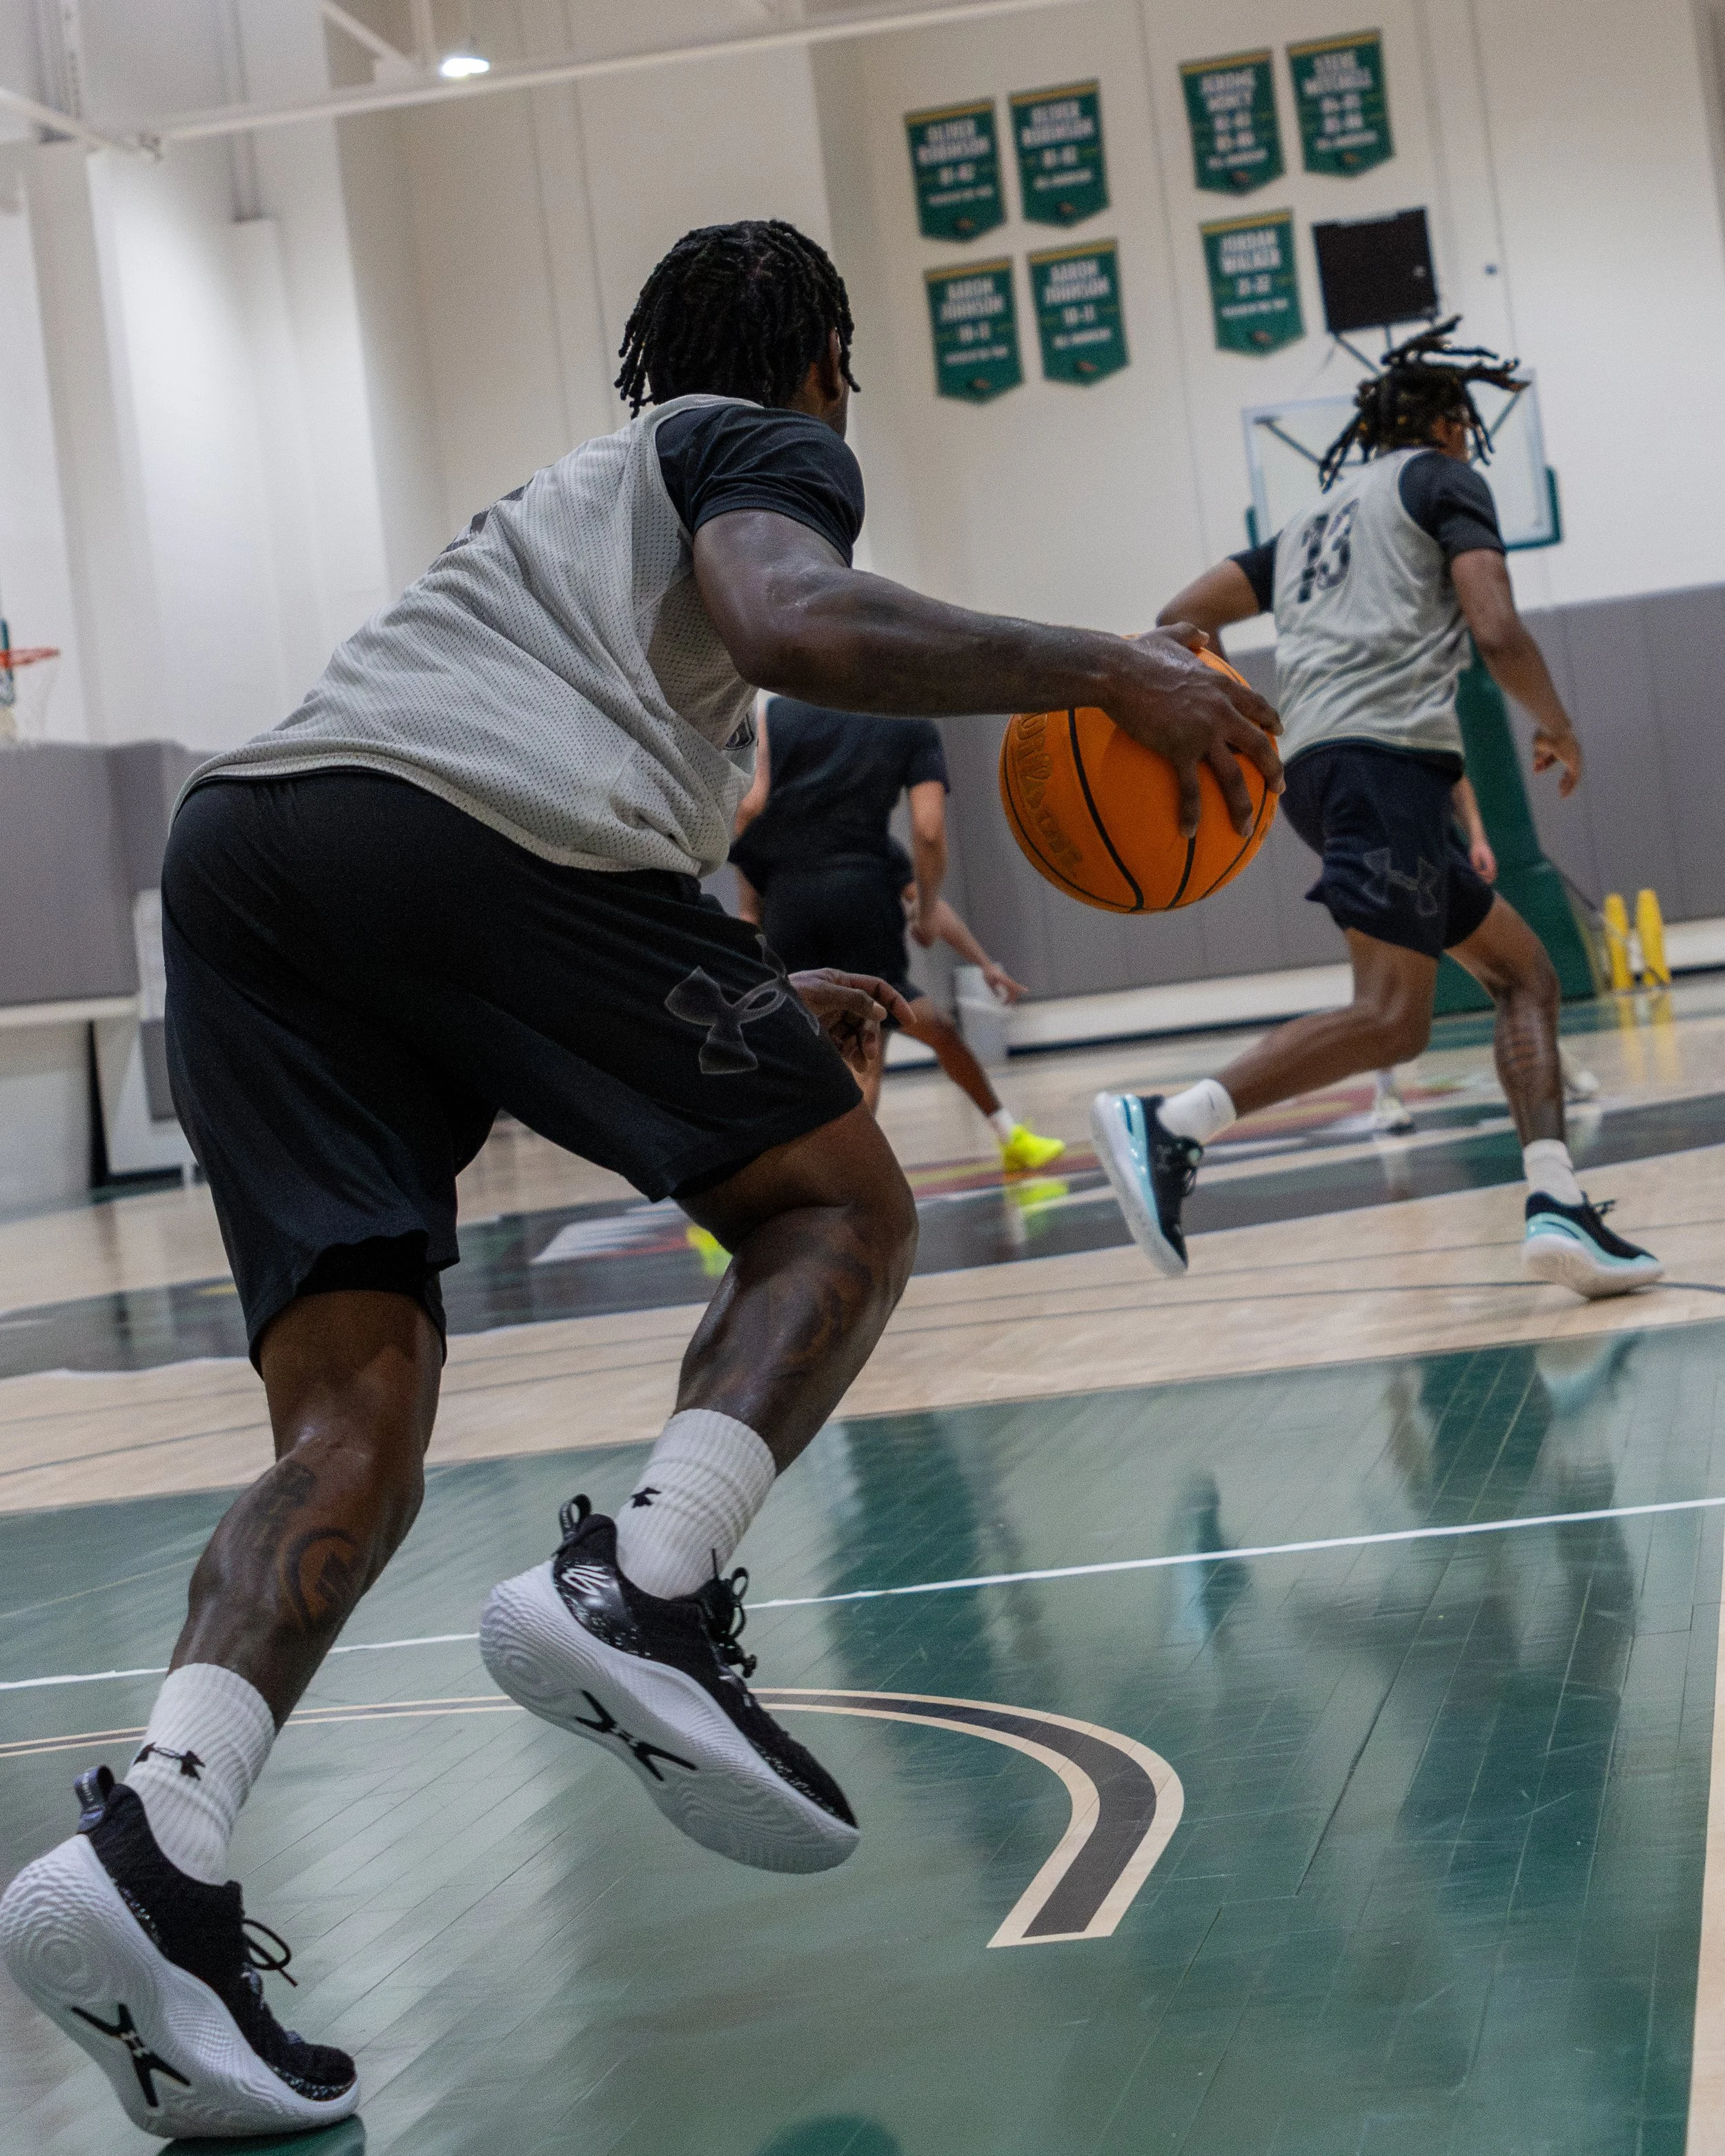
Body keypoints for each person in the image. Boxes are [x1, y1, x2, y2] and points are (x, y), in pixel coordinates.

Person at [0, 219, 1282, 2139]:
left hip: (247, 863)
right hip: (444, 837)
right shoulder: (760, 441)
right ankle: (645, 1582)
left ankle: (154, 1845)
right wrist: (1110, 666)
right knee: (839, 1203)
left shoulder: (572, 505)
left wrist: (753, 979)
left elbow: (503, 817)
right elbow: (786, 623)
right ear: (822, 357)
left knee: (351, 1420)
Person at [1090, 320, 1659, 1301]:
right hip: (1382, 763)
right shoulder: (1443, 481)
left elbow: (1180, 613)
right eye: (1464, 430)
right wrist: (1558, 724)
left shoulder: (1308, 525)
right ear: (1444, 426)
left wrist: (1238, 710)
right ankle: (1169, 1123)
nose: (1468, 445)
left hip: (1319, 768)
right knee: (1393, 1021)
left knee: (1523, 976)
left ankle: (1556, 1202)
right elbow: (1495, 624)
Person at [730, 696, 1063, 1162]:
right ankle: (828, 1194)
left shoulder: (779, 711)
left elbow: (748, 808)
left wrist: (984, 964)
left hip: (787, 900)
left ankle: (1010, 1138)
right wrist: (924, 915)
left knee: (933, 1031)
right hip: (859, 904)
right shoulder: (906, 720)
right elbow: (928, 830)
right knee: (862, 1061)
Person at [1371, 775, 1597, 1132]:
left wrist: (1477, 837)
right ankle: (1385, 1094)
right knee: (1391, 987)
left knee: (1512, 969)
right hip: (1385, 861)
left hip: (1442, 851)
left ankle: (1551, 1058)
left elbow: (1456, 776)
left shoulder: (1425, 725)